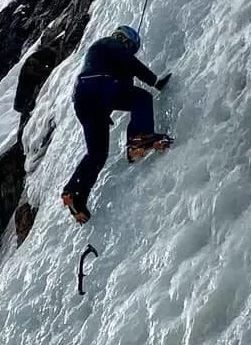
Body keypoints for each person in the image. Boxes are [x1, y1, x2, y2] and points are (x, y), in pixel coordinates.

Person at [61, 25, 171, 222]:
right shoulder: (108, 44)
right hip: (99, 87)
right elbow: (130, 64)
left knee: (96, 154)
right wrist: (155, 81)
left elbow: (124, 87)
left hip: (83, 99)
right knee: (143, 98)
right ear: (126, 41)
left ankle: (75, 193)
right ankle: (138, 138)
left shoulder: (101, 57)